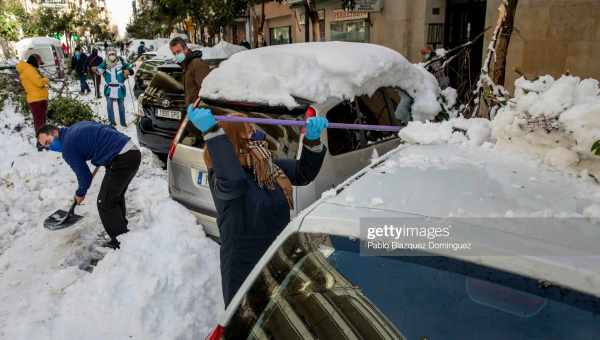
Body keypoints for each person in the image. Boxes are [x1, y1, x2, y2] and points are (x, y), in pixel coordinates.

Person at [186, 106, 328, 306]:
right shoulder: (221, 176)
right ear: (235, 139)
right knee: (248, 316)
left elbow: (303, 173)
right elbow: (235, 182)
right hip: (245, 263)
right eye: (248, 130)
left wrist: (312, 140)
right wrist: (213, 133)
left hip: (277, 254)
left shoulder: (266, 165)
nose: (255, 133)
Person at [36, 122, 141, 249]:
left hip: (122, 158)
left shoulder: (68, 147)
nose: (49, 147)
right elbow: (108, 127)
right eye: (45, 147)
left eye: (48, 143)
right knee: (114, 196)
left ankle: (120, 243)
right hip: (130, 151)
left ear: (54, 133)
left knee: (105, 203)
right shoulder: (75, 128)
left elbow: (85, 177)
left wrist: (80, 193)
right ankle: (123, 233)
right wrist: (102, 150)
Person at [93, 50, 134, 127]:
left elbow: (130, 68)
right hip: (109, 88)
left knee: (121, 106)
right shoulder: (104, 63)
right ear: (108, 56)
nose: (112, 55)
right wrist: (95, 69)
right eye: (110, 54)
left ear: (116, 55)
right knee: (109, 106)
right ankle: (112, 122)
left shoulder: (121, 62)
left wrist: (128, 71)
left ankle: (123, 122)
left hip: (119, 88)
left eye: (113, 54)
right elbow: (99, 70)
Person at [169, 37, 210, 107]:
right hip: (192, 111)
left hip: (199, 112)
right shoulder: (186, 65)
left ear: (185, 49)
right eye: (174, 53)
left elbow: (206, 91)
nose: (176, 55)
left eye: (178, 52)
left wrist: (198, 109)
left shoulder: (197, 63)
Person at [16, 54, 49, 134]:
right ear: (35, 61)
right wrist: (46, 79)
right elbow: (39, 83)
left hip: (38, 98)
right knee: (39, 122)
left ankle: (43, 139)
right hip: (37, 100)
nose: (39, 65)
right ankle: (41, 141)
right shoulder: (29, 70)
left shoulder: (31, 69)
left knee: (41, 121)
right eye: (38, 62)